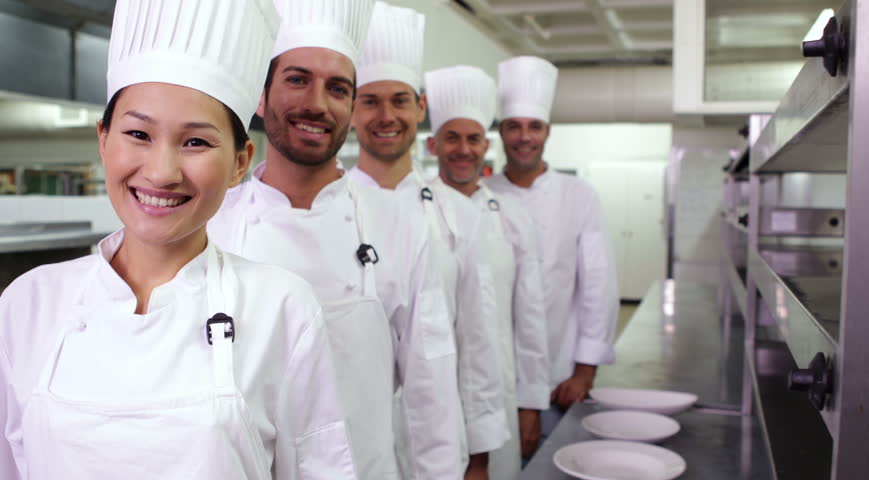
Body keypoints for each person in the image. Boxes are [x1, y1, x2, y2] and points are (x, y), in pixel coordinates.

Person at [0, 0, 356, 478]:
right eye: (138, 133)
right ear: (103, 139)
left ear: (239, 161)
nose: (161, 172)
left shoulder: (282, 308)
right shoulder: (28, 303)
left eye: (195, 142)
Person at [206, 1, 463, 479]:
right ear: (260, 99)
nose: (317, 104)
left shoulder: (400, 224)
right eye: (298, 79)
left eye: (338, 88)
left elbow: (431, 380)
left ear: (349, 107)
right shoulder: (212, 226)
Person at [348, 5, 508, 479]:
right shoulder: (330, 209)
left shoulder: (458, 215)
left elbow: (478, 342)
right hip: (354, 443)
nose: (386, 115)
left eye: (399, 100)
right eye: (370, 100)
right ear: (352, 110)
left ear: (420, 108)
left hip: (441, 441)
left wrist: (478, 455)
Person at [485, 56, 619, 451]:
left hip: (563, 377)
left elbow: (598, 283)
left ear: (548, 132)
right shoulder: (483, 196)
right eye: (514, 126)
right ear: (502, 133)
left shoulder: (578, 196)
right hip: (497, 379)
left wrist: (585, 370)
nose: (524, 137)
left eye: (534, 127)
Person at [426, 65, 550, 479]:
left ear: (486, 146)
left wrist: (530, 404)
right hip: (430, 397)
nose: (463, 149)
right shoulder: (414, 210)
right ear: (433, 145)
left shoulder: (511, 216)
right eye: (452, 137)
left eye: (473, 138)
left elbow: (530, 317)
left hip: (499, 391)